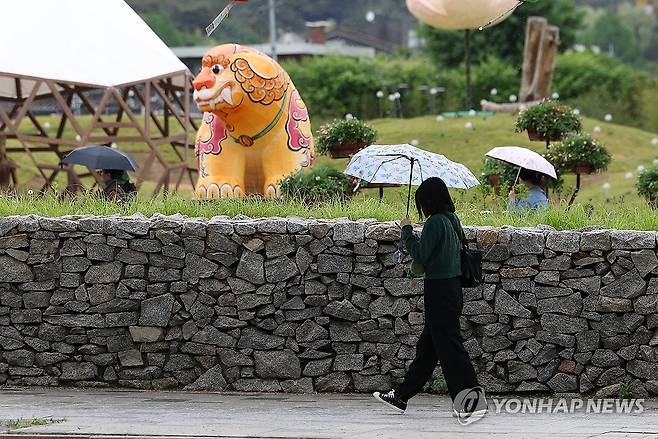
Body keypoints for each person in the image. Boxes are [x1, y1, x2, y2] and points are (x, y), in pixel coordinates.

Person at [372, 177, 485, 418]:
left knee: (450, 347)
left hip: (438, 291)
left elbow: (421, 255)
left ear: (428, 201)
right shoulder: (452, 219)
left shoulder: (435, 223)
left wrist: (406, 231)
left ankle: (470, 401)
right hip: (452, 288)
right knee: (428, 348)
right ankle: (401, 395)